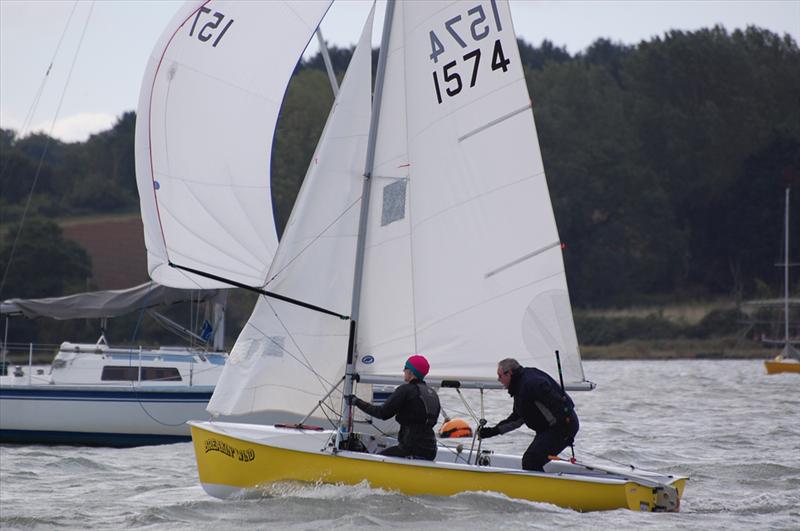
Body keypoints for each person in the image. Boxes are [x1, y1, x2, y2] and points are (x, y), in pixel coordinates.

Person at [479, 357, 579, 472]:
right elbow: (517, 418)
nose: (498, 379)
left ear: (509, 373)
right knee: (531, 460)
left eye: (500, 376)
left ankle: (542, 489)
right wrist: (493, 431)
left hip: (562, 426)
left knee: (531, 460)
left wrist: (566, 429)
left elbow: (564, 403)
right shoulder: (519, 386)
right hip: (549, 430)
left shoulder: (532, 383)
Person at [347, 354, 441, 460]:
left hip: (410, 449)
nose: (403, 370)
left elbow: (382, 413)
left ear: (411, 372)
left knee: (377, 460)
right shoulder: (433, 393)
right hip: (431, 450)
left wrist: (356, 401)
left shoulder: (405, 390)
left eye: (405, 368)